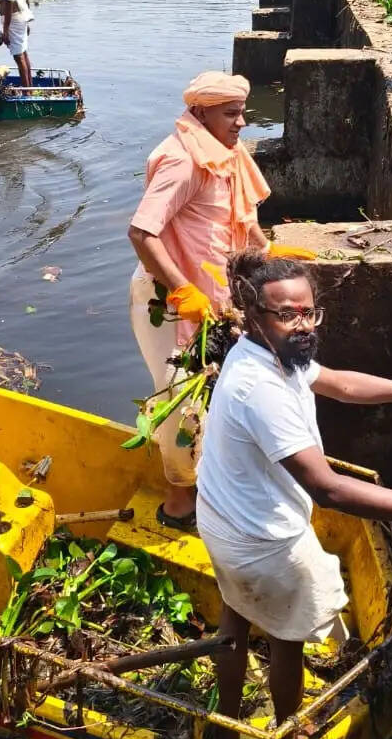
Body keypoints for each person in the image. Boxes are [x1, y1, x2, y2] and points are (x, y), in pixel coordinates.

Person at [196, 252, 392, 739]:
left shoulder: (273, 353)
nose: (301, 325)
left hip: (223, 518)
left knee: (235, 617)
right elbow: (328, 488)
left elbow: (340, 383)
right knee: (286, 641)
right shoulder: (259, 389)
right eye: (286, 314)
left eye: (308, 312)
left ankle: (226, 727)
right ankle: (285, 735)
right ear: (254, 316)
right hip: (260, 539)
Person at [128, 73, 313, 530]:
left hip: (210, 295)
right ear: (201, 113)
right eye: (231, 114)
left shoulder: (226, 153)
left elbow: (241, 214)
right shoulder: (184, 162)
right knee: (178, 396)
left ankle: (207, 479)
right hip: (166, 300)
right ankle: (177, 504)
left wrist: (266, 252)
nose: (242, 122)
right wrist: (179, 288)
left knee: (211, 390)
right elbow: (142, 232)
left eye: (242, 112)